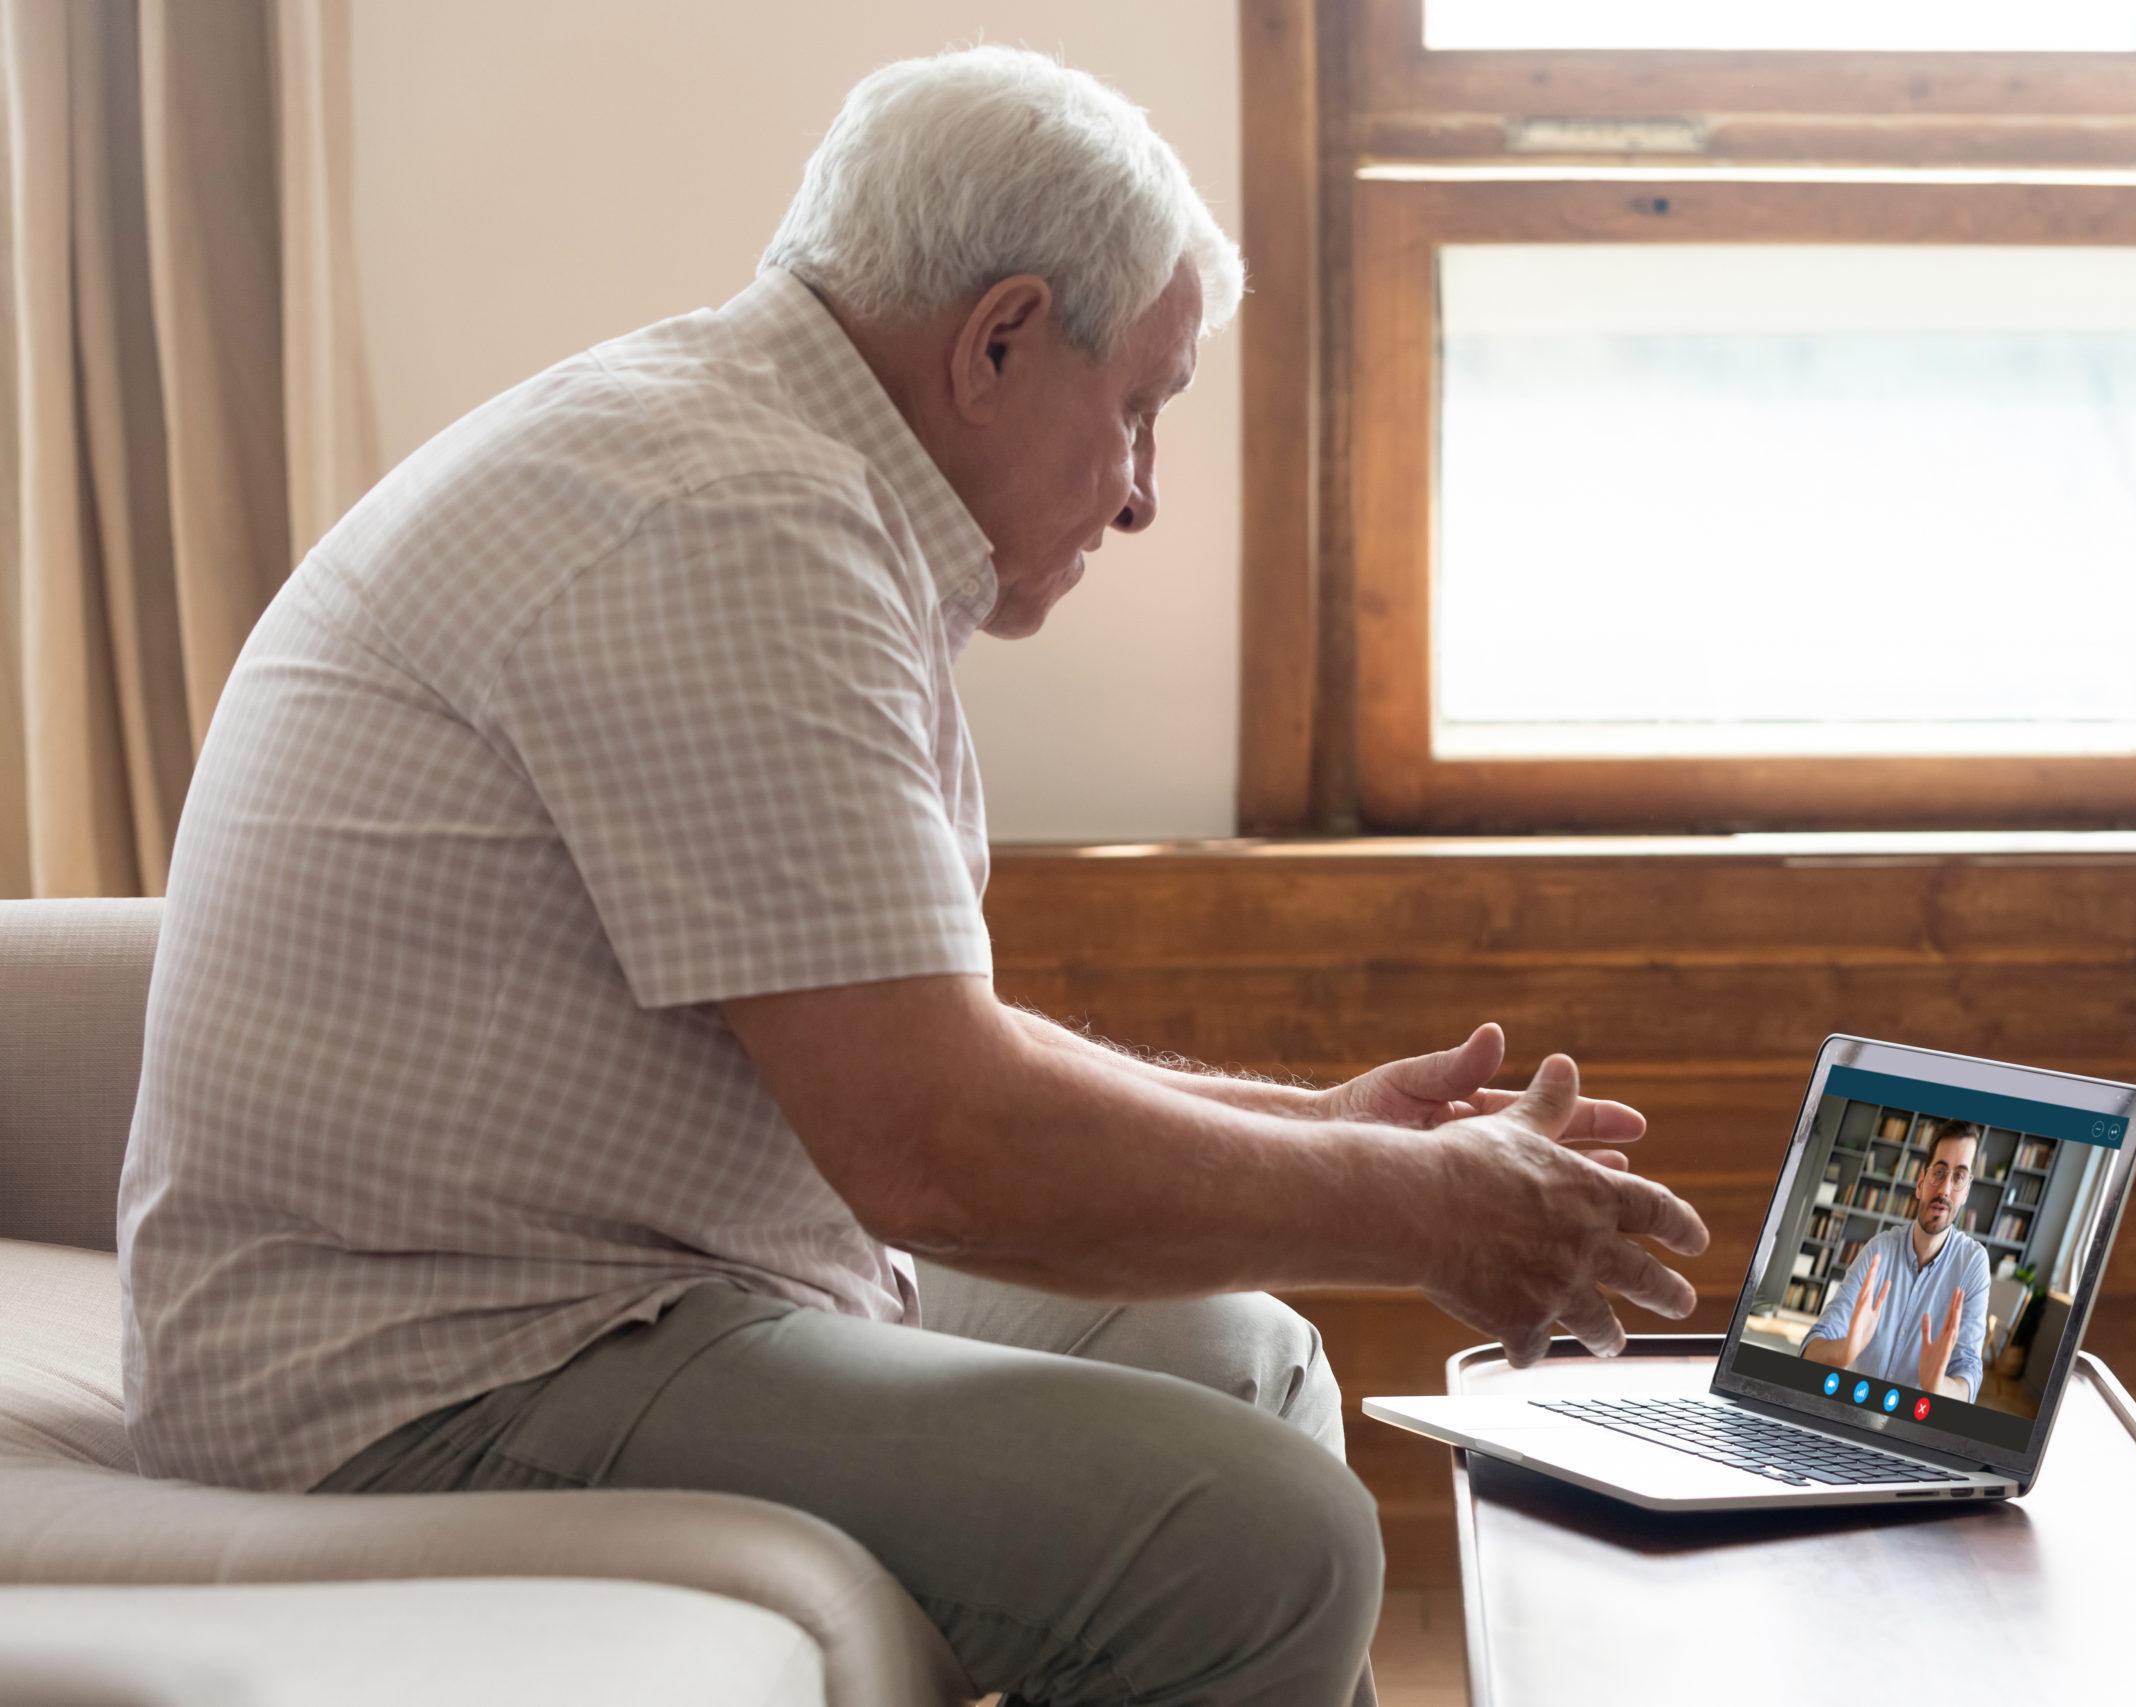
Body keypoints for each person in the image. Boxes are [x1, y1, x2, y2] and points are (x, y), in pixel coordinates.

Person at [115, 44, 1709, 1707]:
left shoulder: (756, 469)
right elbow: (943, 1148)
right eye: (1144, 404)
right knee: (1263, 1540)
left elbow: (935, 1043)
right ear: (1000, 336)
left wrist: (1328, 1128)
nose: (1146, 490)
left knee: (1242, 1358)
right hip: (433, 1373)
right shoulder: (733, 528)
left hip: (608, 1272)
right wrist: (1429, 1209)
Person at [1800, 1120, 1993, 1401]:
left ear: (1965, 1193)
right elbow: (1810, 1349)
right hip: (1855, 1408)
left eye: (1959, 1177)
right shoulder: (1879, 1250)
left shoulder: (1973, 1264)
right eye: (1938, 1172)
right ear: (1920, 1183)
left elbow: (1968, 1377)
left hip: (1914, 1427)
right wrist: (1845, 1351)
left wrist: (1937, 1384)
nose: (1945, 1189)